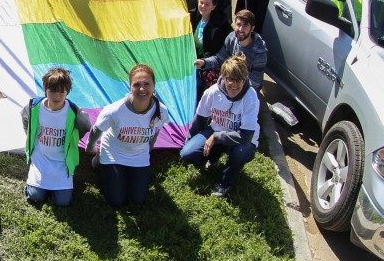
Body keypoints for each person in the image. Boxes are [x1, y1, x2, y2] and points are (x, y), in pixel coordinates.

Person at [88, 64, 171, 206]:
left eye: (146, 84)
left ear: (154, 86)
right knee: (116, 201)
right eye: (136, 84)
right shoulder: (114, 110)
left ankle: (124, 175)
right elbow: (97, 129)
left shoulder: (161, 111)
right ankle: (99, 161)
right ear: (130, 87)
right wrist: (90, 147)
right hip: (114, 153)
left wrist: (148, 149)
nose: (142, 89)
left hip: (139, 155)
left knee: (138, 200)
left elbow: (156, 130)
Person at [180, 55, 261, 196]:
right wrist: (189, 141)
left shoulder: (251, 96)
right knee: (187, 153)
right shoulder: (212, 92)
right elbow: (199, 120)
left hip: (243, 138)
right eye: (230, 79)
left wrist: (217, 137)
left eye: (239, 80)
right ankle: (214, 156)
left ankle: (225, 182)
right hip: (216, 129)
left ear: (245, 79)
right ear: (223, 77)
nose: (235, 85)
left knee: (240, 153)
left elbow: (246, 136)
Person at [20, 67, 90, 207]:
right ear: (45, 89)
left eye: (61, 92)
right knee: (35, 197)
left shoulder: (73, 111)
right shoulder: (33, 107)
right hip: (41, 159)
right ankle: (38, 187)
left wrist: (73, 139)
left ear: (67, 92)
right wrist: (31, 137)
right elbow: (25, 120)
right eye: (52, 91)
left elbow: (86, 127)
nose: (56, 96)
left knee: (63, 202)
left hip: (62, 162)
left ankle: (58, 189)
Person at [196, 9, 268, 95]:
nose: (240, 29)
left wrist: (231, 88)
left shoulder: (259, 52)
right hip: (229, 77)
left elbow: (255, 83)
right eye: (238, 24)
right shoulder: (231, 37)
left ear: (252, 28)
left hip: (245, 87)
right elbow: (219, 59)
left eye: (245, 26)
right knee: (200, 72)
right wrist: (204, 62)